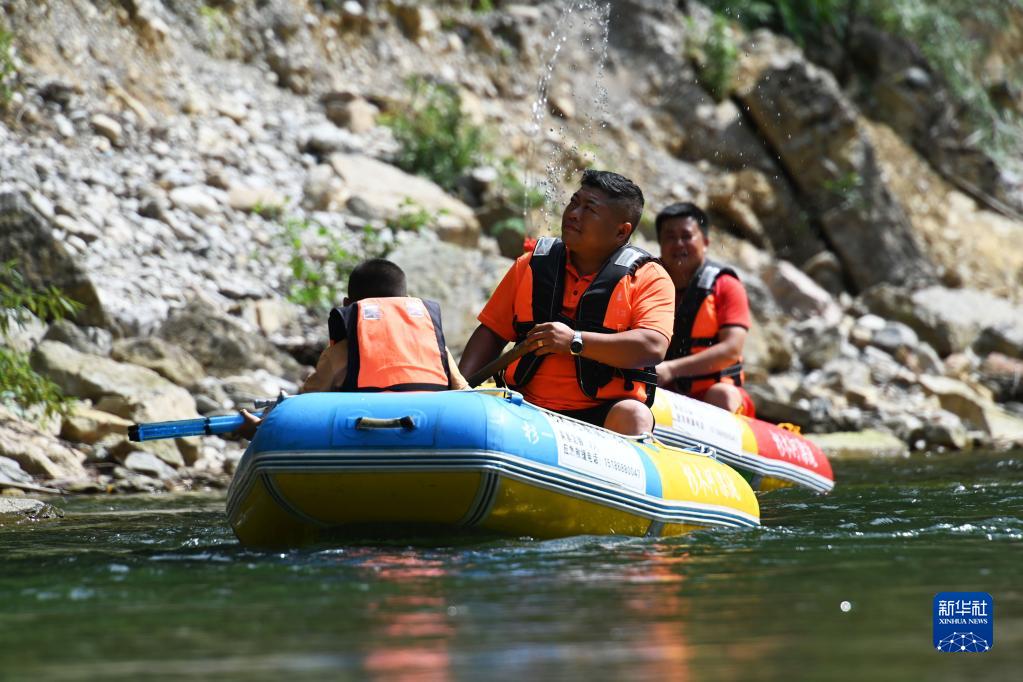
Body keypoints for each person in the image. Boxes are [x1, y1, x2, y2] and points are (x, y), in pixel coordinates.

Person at [459, 170, 675, 436]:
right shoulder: (531, 264)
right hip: (521, 403)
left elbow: (653, 346)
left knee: (634, 414)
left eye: (590, 209)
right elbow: (492, 333)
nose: (573, 214)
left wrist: (575, 341)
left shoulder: (650, 277)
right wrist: (459, 389)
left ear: (622, 231)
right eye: (574, 202)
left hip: (600, 413)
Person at [240, 258, 467, 434]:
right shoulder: (436, 349)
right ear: (406, 300)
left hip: (363, 436)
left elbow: (301, 408)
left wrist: (260, 426)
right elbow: (465, 395)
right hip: (431, 432)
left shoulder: (340, 352)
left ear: (348, 305)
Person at [654, 202, 755, 416]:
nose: (678, 244)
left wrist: (671, 369)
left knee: (722, 395)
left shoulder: (726, 285)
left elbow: (732, 349)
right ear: (660, 244)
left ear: (705, 242)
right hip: (660, 389)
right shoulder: (647, 280)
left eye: (687, 236)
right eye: (670, 237)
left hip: (715, 392)